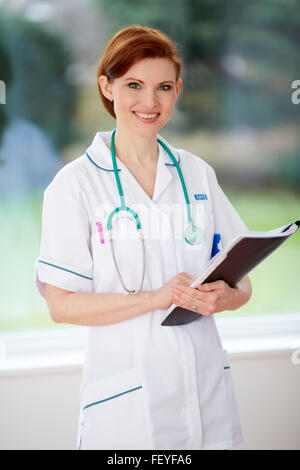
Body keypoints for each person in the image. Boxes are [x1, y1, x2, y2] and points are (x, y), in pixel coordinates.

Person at [35, 25, 252, 450]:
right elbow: (61, 305)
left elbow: (241, 278)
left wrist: (225, 297)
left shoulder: (196, 173)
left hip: (206, 393)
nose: (150, 102)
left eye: (164, 87)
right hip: (128, 406)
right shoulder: (74, 185)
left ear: (178, 91)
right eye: (134, 85)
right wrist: (156, 298)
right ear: (107, 87)